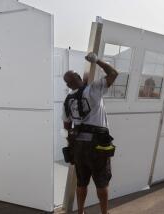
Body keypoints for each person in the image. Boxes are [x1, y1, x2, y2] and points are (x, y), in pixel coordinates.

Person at [62, 52, 118, 214]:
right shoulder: (93, 89)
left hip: (79, 146)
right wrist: (97, 60)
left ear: (68, 85)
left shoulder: (67, 101)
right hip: (98, 145)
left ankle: (80, 212)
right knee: (101, 182)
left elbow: (67, 125)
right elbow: (113, 74)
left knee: (81, 182)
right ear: (79, 77)